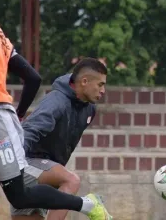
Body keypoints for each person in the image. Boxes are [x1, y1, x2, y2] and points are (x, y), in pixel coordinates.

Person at [0, 0, 111, 220]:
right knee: (24, 198)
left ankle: (86, 205)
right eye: (100, 84)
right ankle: (85, 204)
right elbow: (32, 78)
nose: (103, 90)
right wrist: (18, 115)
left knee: (22, 195)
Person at [10, 57, 107, 220]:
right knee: (71, 180)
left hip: (45, 172)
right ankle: (89, 204)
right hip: (25, 163)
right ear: (84, 81)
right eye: (100, 85)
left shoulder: (90, 109)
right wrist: (15, 164)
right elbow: (29, 130)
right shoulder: (57, 101)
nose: (103, 90)